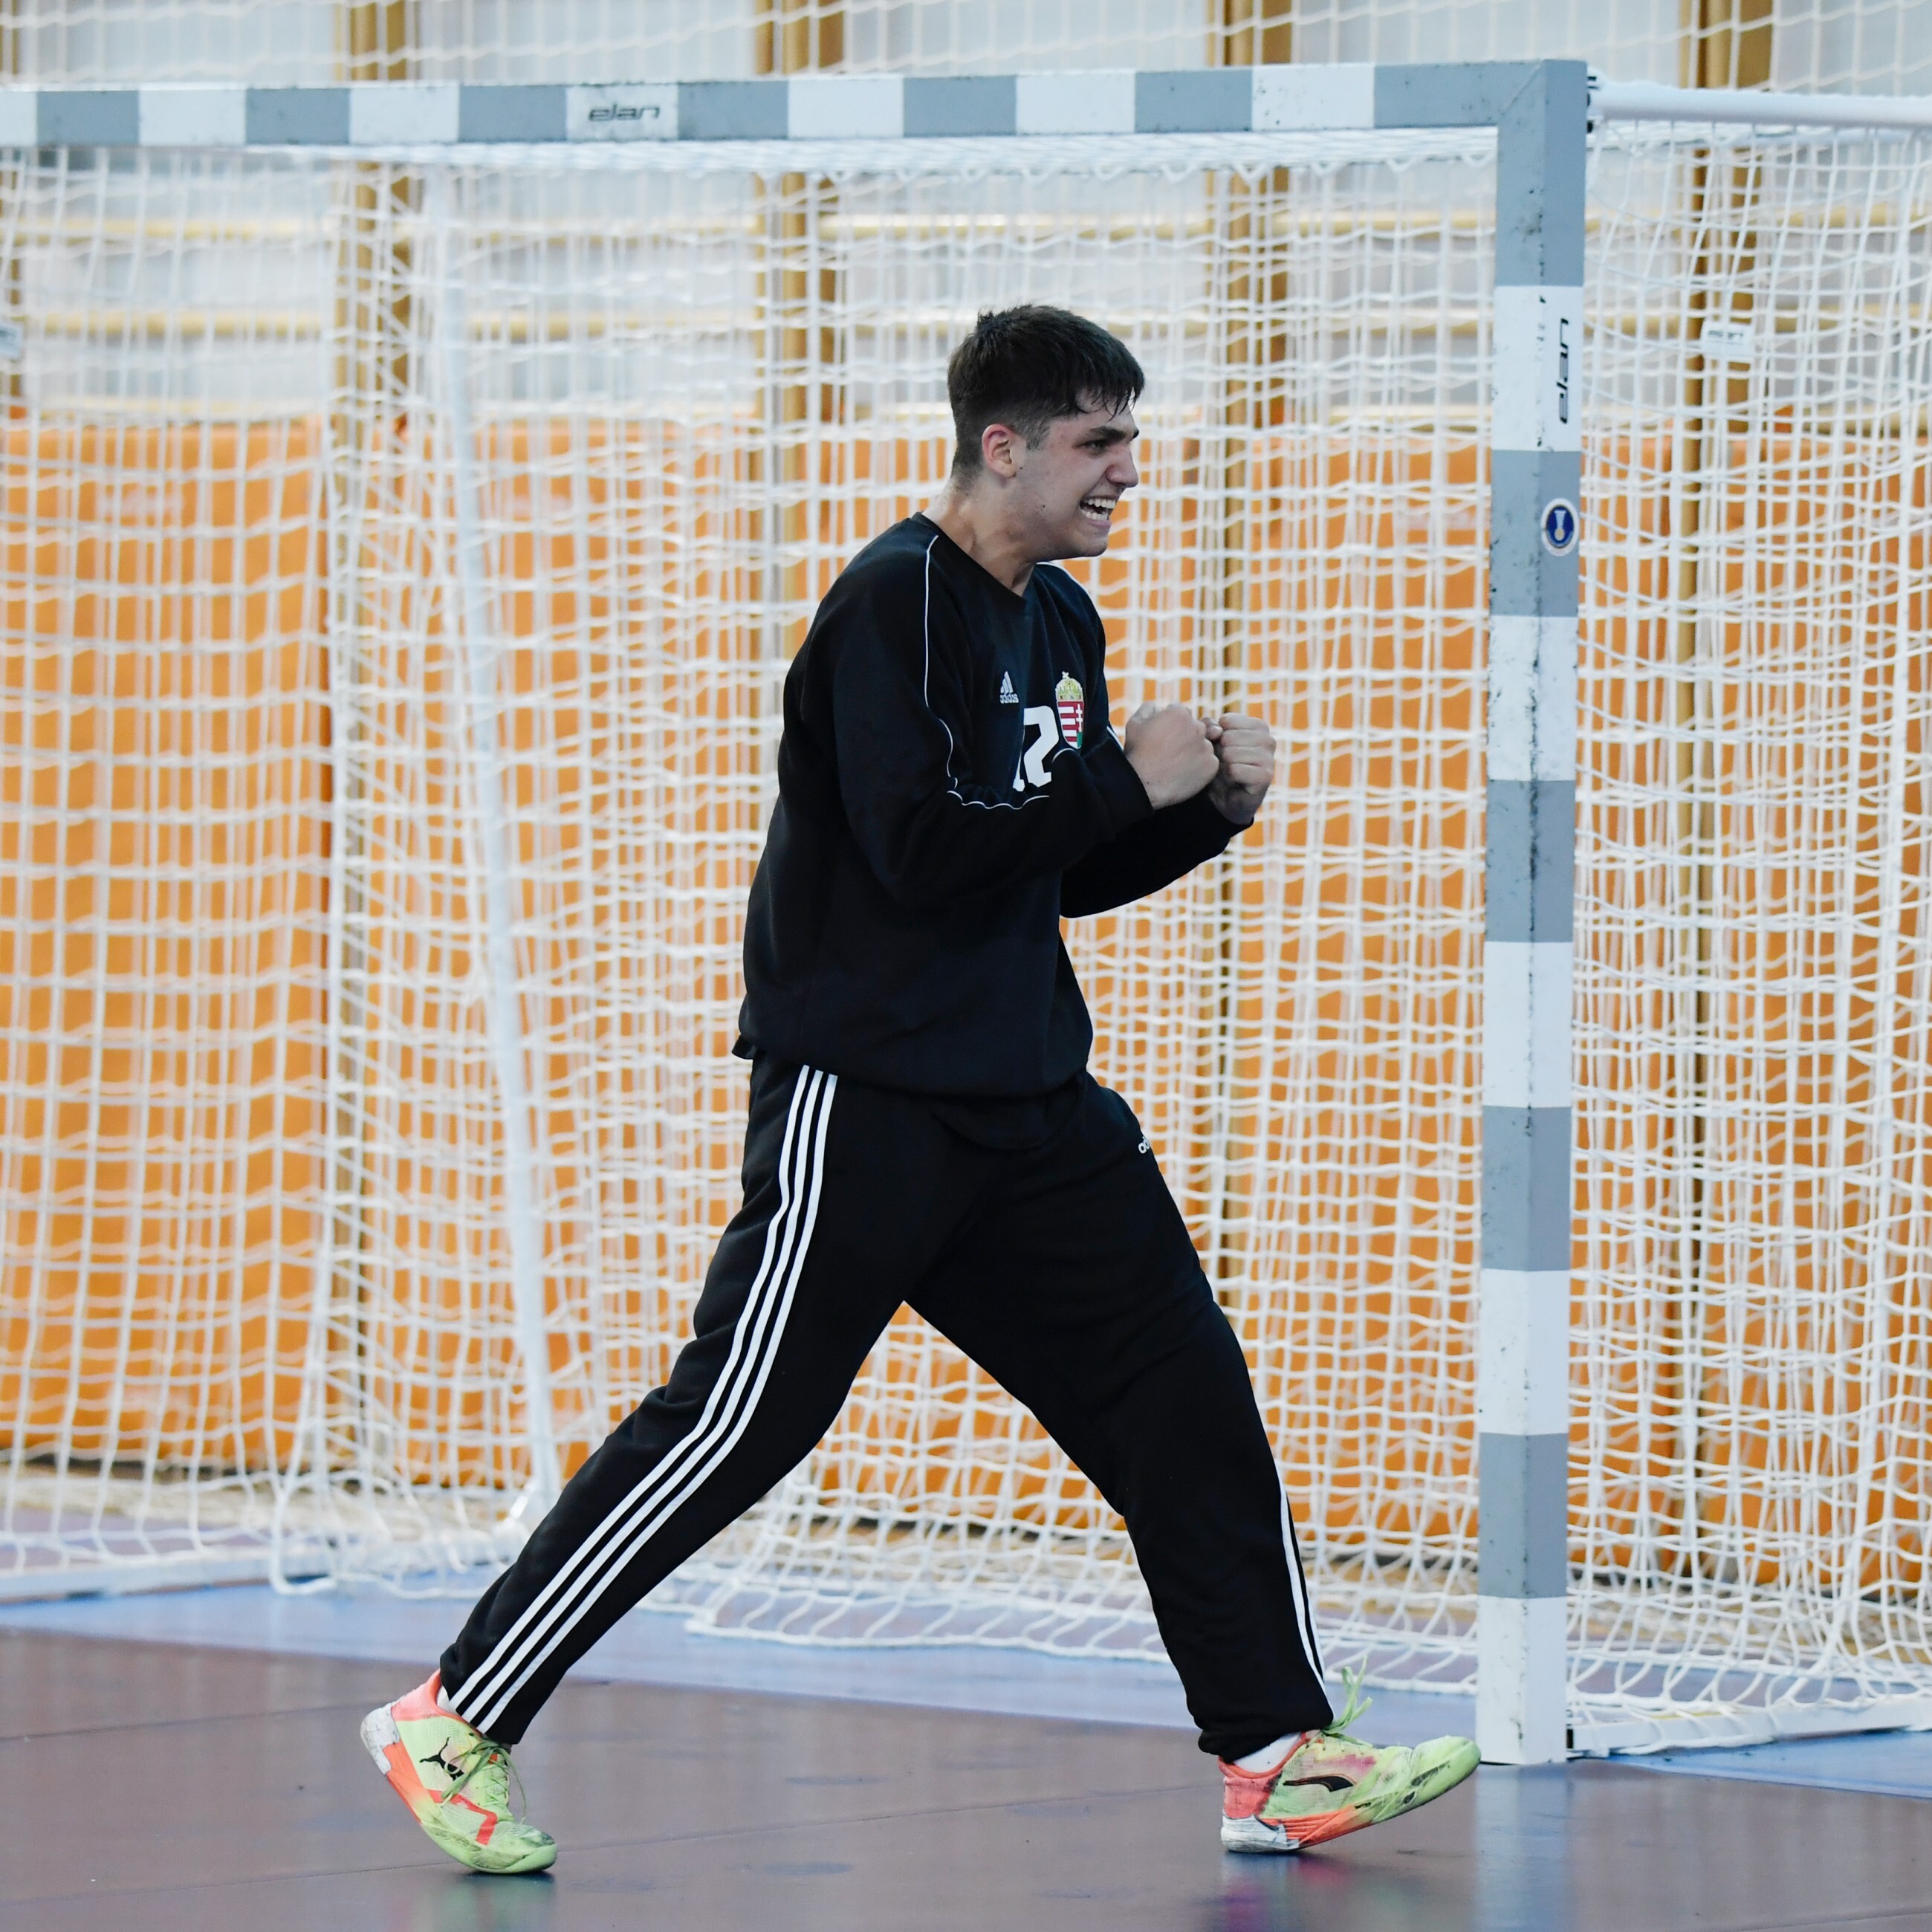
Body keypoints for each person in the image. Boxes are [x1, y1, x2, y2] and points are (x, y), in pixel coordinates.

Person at [358, 305, 1477, 1874]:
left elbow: (1048, 875)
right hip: (867, 1101)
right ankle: (453, 1710)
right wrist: (1127, 777)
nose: (1128, 473)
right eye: (1097, 442)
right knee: (736, 1422)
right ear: (1001, 447)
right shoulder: (890, 606)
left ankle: (1275, 1752)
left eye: (1132, 441)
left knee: (1182, 1398)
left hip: (1031, 1107)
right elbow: (919, 854)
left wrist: (1200, 813)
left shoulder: (1061, 620)